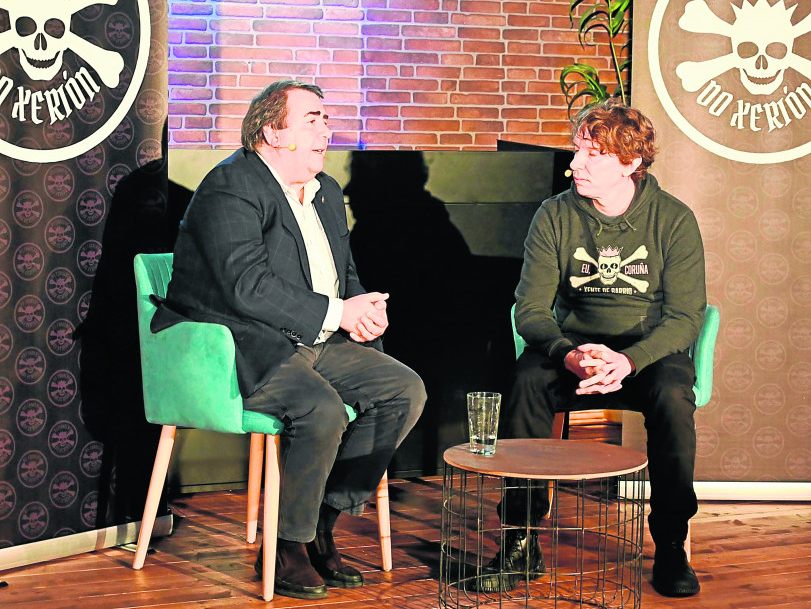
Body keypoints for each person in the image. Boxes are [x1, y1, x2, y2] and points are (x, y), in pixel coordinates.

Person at [151, 79, 426, 600]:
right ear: (273, 132)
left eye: (326, 118)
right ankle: (283, 545)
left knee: (403, 390)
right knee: (320, 409)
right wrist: (337, 312)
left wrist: (362, 309)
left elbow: (342, 275)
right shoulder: (231, 186)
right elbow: (246, 286)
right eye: (312, 119)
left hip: (314, 338)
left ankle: (320, 521)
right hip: (244, 342)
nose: (327, 128)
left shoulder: (326, 192)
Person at [478, 100, 706, 598]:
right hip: (573, 346)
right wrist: (568, 354)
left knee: (672, 397)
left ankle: (671, 542)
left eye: (591, 155)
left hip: (645, 353)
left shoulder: (673, 219)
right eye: (577, 151)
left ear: (630, 163)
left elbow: (687, 317)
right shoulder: (555, 214)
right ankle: (520, 540)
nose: (573, 164)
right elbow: (530, 310)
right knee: (525, 381)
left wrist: (629, 361)